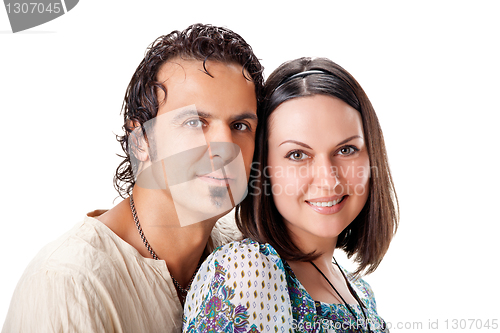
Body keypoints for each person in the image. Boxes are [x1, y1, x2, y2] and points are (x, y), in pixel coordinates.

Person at [2, 23, 264, 333]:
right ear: (141, 141)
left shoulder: (245, 253)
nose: (226, 148)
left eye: (240, 125)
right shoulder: (68, 283)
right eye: (195, 122)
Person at [183, 57, 398, 332]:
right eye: (297, 155)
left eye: (346, 150)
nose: (328, 179)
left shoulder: (359, 290)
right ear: (264, 169)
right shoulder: (248, 271)